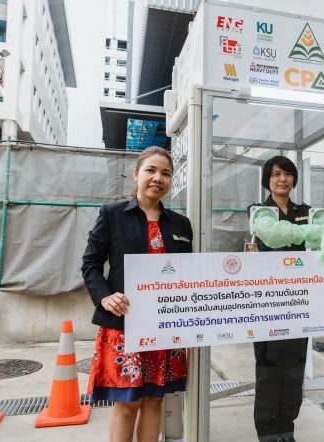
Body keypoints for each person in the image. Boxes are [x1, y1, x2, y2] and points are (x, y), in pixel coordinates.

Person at [82, 146, 193, 442]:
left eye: (166, 173)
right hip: (125, 325)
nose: (158, 178)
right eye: (151, 170)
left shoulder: (181, 224)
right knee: (127, 402)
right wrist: (105, 297)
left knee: (155, 399)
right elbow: (91, 264)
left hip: (164, 325)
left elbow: (188, 275)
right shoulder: (112, 214)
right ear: (136, 174)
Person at [248, 156, 311, 442]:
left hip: (298, 298)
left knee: (295, 365)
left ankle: (287, 429)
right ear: (267, 180)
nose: (282, 179)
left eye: (287, 174)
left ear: (294, 178)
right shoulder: (259, 211)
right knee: (268, 366)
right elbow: (273, 237)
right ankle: (267, 432)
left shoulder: (305, 211)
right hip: (267, 300)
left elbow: (319, 237)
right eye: (275, 174)